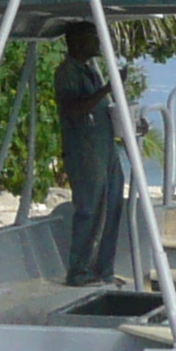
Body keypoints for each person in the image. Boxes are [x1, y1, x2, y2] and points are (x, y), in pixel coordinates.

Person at [52, 23, 126, 287]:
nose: (97, 42)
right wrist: (107, 89)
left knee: (113, 206)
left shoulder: (91, 70)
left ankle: (103, 269)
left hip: (105, 148)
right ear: (77, 42)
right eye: (92, 38)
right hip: (84, 151)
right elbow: (74, 108)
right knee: (89, 209)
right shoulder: (67, 73)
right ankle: (79, 271)